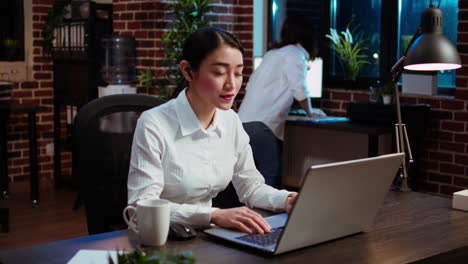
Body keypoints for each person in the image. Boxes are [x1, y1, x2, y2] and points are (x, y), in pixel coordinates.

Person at [127, 27, 297, 235]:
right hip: (159, 239)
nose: (232, 84)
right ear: (188, 71)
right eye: (218, 72)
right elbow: (142, 206)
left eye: (238, 72)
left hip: (203, 235)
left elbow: (251, 188)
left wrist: (287, 200)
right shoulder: (154, 123)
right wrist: (213, 215)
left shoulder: (230, 121)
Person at [237, 16, 326, 188]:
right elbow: (299, 88)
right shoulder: (295, 55)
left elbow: (251, 87)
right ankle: (266, 215)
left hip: (243, 123)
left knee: (248, 180)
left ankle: (250, 213)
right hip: (262, 126)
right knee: (269, 178)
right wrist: (310, 112)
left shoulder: (272, 54)